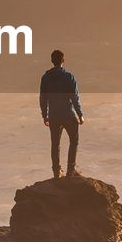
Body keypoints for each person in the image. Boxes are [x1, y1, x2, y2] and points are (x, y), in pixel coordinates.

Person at [39, 49, 84, 178]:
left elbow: (43, 98)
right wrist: (80, 114)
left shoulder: (46, 77)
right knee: (74, 140)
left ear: (52, 61)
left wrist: (44, 115)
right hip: (68, 114)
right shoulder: (69, 77)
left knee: (55, 144)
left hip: (53, 115)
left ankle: (56, 171)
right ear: (63, 60)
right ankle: (71, 170)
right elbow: (74, 97)